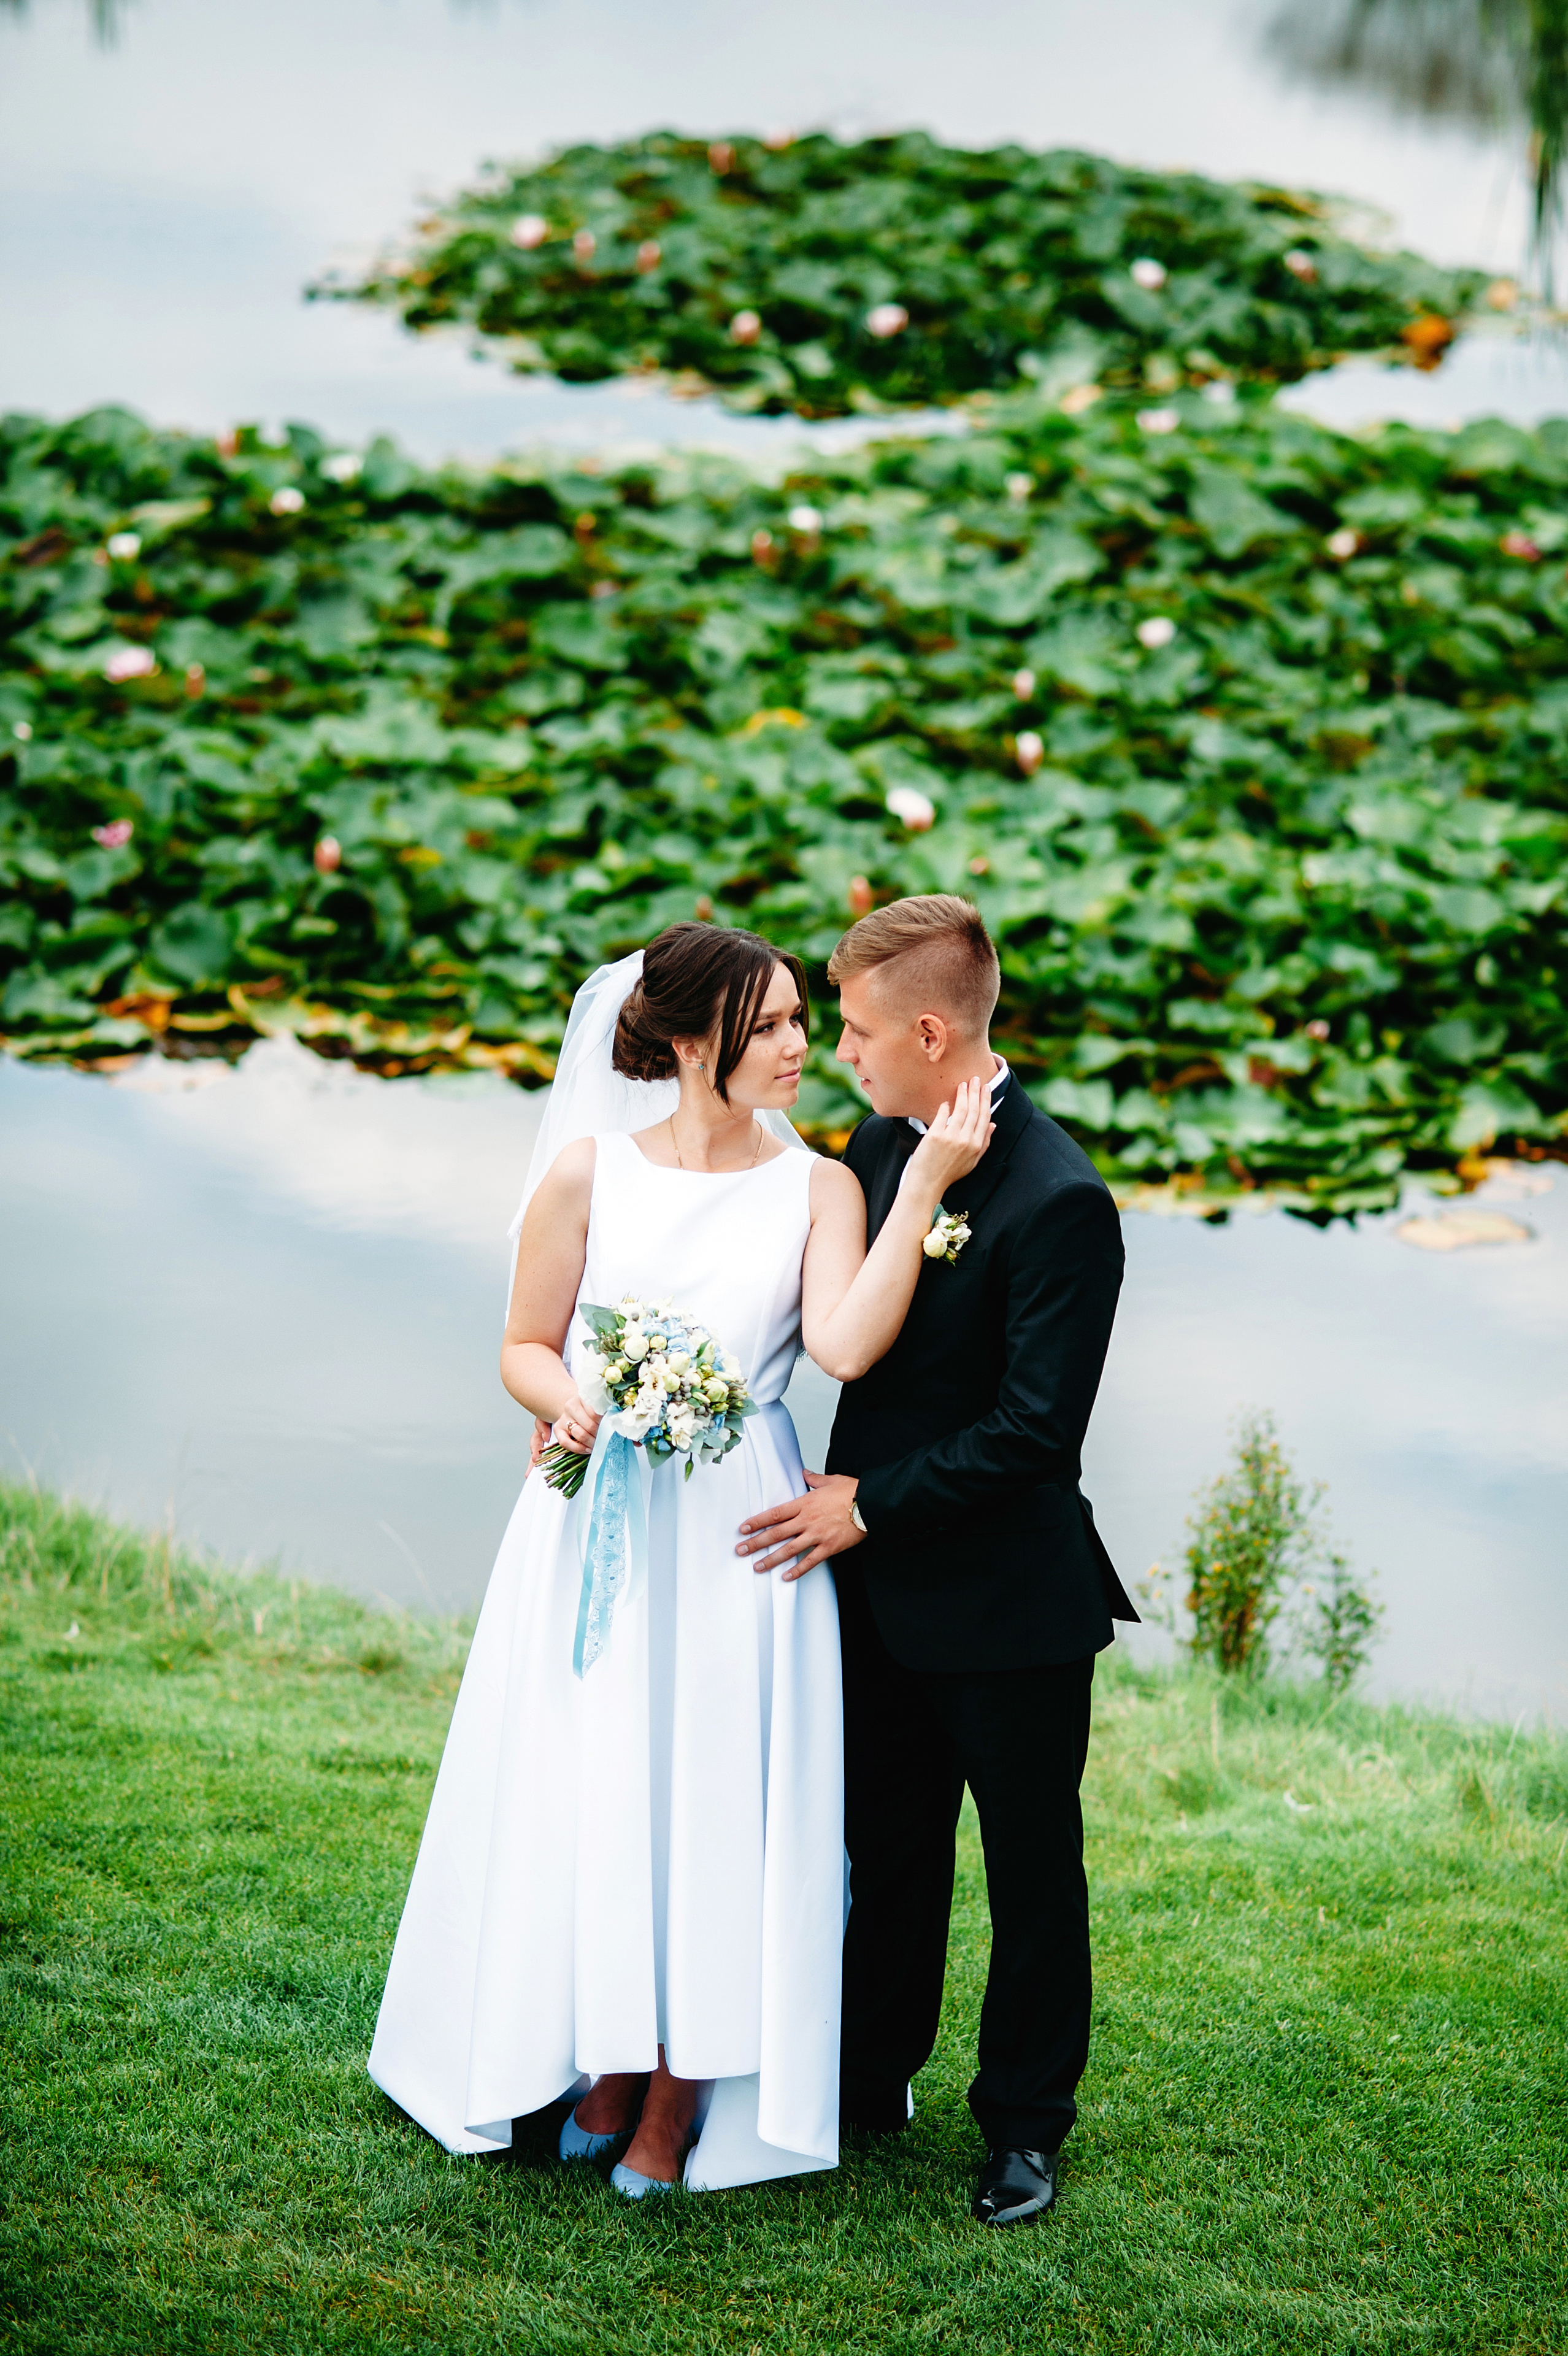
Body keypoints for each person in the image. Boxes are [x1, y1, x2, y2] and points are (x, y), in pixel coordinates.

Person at [367, 922, 992, 2196]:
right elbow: (524, 1345)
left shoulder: (820, 1187)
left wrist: (920, 1186)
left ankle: (680, 2089)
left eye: (802, 1025)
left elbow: (847, 1349)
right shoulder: (590, 1174)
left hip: (739, 1537)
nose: (802, 1046)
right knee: (605, 1783)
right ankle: (607, 2045)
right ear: (693, 1040)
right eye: (770, 1027)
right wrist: (572, 1398)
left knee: (714, 1799)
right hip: (595, 1514)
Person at [736, 894, 1136, 2228]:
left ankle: (1024, 2126)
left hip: (1011, 1602)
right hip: (878, 1595)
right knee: (885, 1846)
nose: (837, 1052)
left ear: (927, 1029)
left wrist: (870, 1509)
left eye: (851, 1029)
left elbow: (1035, 1435)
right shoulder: (874, 1143)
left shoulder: (1062, 1199)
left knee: (1030, 1871)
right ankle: (867, 2075)